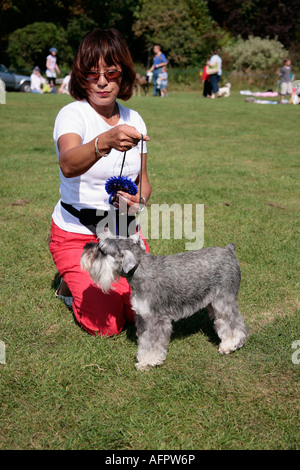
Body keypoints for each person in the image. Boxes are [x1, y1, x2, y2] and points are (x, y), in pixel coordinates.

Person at [48, 28, 151, 337]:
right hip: (79, 236)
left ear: (124, 74)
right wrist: (103, 141)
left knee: (145, 311)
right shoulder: (72, 114)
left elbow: (143, 182)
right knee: (107, 325)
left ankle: (96, 281)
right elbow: (68, 164)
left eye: (111, 72)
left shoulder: (135, 119)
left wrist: (139, 201)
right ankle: (71, 282)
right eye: (93, 74)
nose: (103, 81)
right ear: (81, 77)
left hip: (123, 232)